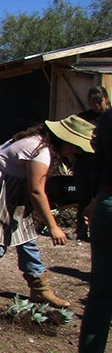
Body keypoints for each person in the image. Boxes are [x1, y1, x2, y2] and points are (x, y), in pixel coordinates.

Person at [0, 116, 93, 311]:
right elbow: (36, 192)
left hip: (6, 193)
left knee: (27, 237)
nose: (76, 151)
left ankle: (39, 288)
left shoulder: (39, 141)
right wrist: (53, 226)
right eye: (75, 146)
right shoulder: (40, 151)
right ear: (64, 139)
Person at [77, 106, 112, 353]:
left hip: (107, 203)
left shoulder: (109, 118)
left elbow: (97, 166)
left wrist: (94, 200)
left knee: (101, 290)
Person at [72, 86, 110, 240]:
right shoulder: (82, 118)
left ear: (106, 99)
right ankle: (81, 229)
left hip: (105, 165)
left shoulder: (109, 118)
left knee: (103, 198)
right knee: (82, 198)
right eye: (93, 102)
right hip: (85, 162)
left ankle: (101, 231)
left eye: (99, 101)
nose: (96, 105)